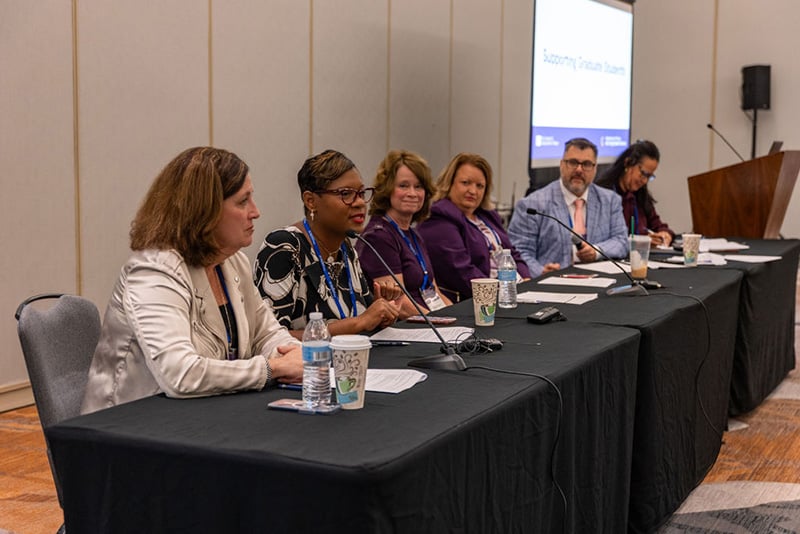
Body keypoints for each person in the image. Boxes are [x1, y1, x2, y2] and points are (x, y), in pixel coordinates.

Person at [82, 147, 304, 414]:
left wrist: (296, 355)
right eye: (243, 201)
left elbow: (266, 334)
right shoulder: (154, 271)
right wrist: (273, 368)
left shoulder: (233, 261)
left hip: (205, 412)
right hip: (131, 423)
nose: (255, 212)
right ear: (205, 212)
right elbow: (181, 374)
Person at [254, 149, 402, 338]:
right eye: (346, 194)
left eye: (361, 193)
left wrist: (381, 311)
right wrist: (358, 323)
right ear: (311, 201)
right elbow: (269, 338)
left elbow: (364, 320)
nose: (360, 203)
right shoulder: (284, 246)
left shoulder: (346, 248)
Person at [417, 153, 530, 301]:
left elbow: (512, 253)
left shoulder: (488, 216)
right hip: (479, 299)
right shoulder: (439, 220)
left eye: (479, 186)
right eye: (465, 183)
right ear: (449, 183)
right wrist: (502, 292)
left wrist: (526, 281)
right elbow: (460, 271)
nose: (473, 191)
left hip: (511, 293)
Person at [508, 137, 628, 278]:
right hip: (552, 284)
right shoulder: (532, 204)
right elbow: (519, 252)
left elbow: (622, 241)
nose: (579, 170)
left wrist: (596, 251)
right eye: (573, 162)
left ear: (595, 169)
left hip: (599, 281)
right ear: (561, 165)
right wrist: (541, 272)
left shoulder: (610, 200)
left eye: (586, 164)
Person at [356, 149, 453, 317]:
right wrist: (439, 322)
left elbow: (433, 289)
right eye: (403, 186)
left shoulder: (414, 235)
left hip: (429, 320)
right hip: (408, 325)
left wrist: (456, 317)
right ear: (387, 189)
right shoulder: (378, 237)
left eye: (418, 186)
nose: (412, 193)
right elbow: (399, 304)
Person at [595, 140, 674, 246]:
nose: (645, 181)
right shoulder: (602, 193)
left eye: (649, 176)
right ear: (628, 163)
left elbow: (657, 225)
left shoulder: (640, 195)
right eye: (644, 174)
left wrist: (665, 234)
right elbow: (602, 237)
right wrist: (640, 241)